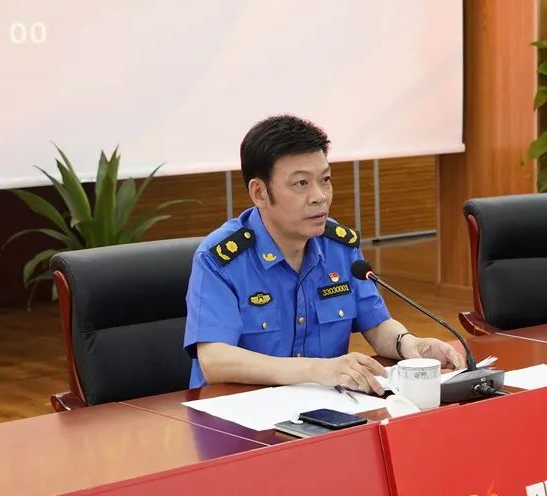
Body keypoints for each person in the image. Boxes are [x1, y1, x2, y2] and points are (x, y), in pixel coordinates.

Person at [184, 115, 464, 393]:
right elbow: (214, 360)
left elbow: (377, 325)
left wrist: (409, 344)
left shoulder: (339, 247)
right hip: (237, 411)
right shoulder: (220, 259)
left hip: (323, 407)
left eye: (325, 180)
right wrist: (315, 369)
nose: (320, 196)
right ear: (259, 193)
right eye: (301, 183)